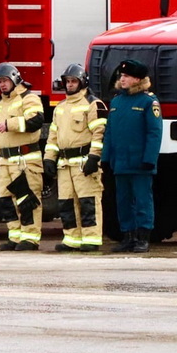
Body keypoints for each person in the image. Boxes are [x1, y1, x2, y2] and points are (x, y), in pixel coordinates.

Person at [44, 63, 107, 253]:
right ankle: (71, 238)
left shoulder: (93, 104)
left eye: (73, 81)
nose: (70, 85)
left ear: (83, 82)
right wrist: (49, 159)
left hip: (83, 163)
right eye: (67, 81)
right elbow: (53, 136)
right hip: (64, 165)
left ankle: (91, 238)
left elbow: (99, 133)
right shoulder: (60, 108)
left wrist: (94, 158)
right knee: (66, 202)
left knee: (88, 201)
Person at [102, 59, 162, 253]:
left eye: (126, 76)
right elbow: (110, 131)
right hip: (120, 162)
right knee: (123, 201)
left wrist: (149, 159)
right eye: (121, 76)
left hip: (139, 162)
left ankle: (143, 237)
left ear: (137, 79)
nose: (122, 79)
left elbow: (154, 132)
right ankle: (128, 236)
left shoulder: (148, 101)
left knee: (143, 201)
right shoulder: (117, 101)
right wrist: (106, 157)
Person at [0, 62, 45, 251]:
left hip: (25, 159)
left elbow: (35, 121)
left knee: (26, 199)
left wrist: (10, 124)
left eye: (5, 81)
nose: (2, 85)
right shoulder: (2, 103)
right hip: (6, 160)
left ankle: (30, 238)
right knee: (6, 199)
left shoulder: (28, 98)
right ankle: (15, 236)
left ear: (14, 78)